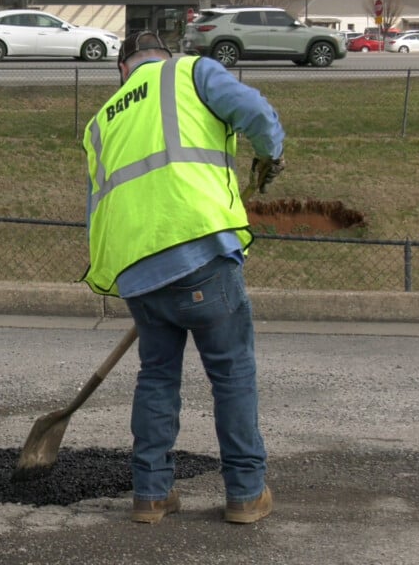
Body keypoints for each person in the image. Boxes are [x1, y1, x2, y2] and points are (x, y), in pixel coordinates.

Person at [81, 32, 285, 524]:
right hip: (201, 251)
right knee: (232, 374)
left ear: (122, 71)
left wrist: (124, 277)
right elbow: (257, 115)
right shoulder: (191, 72)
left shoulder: (101, 122)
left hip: (138, 272)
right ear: (163, 58)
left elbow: (98, 207)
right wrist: (269, 154)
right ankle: (244, 493)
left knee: (157, 378)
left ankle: (150, 495)